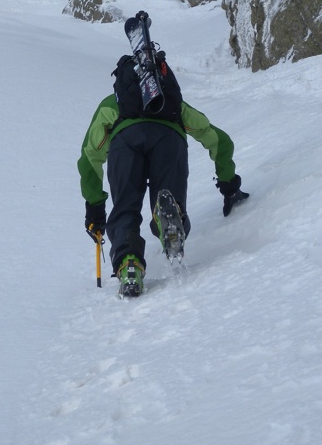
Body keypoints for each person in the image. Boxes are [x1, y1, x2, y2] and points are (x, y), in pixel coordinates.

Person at [77, 45, 248, 296]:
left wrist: (94, 207)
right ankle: (168, 215)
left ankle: (129, 264)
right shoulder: (172, 103)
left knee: (125, 208)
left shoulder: (113, 103)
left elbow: (89, 156)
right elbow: (219, 140)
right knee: (168, 195)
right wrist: (229, 184)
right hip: (170, 139)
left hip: (125, 142)